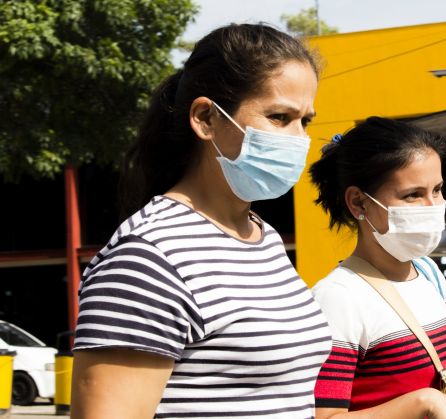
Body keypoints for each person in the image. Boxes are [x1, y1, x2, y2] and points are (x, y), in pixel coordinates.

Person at [70, 23, 332, 419]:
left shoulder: (263, 237)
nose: (298, 138)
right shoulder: (147, 258)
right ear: (206, 118)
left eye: (305, 121)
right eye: (279, 117)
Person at [309, 117, 446, 419]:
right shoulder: (338, 297)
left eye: (437, 190)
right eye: (413, 195)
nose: (432, 206)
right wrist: (425, 402)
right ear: (359, 203)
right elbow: (324, 417)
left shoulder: (429, 276)